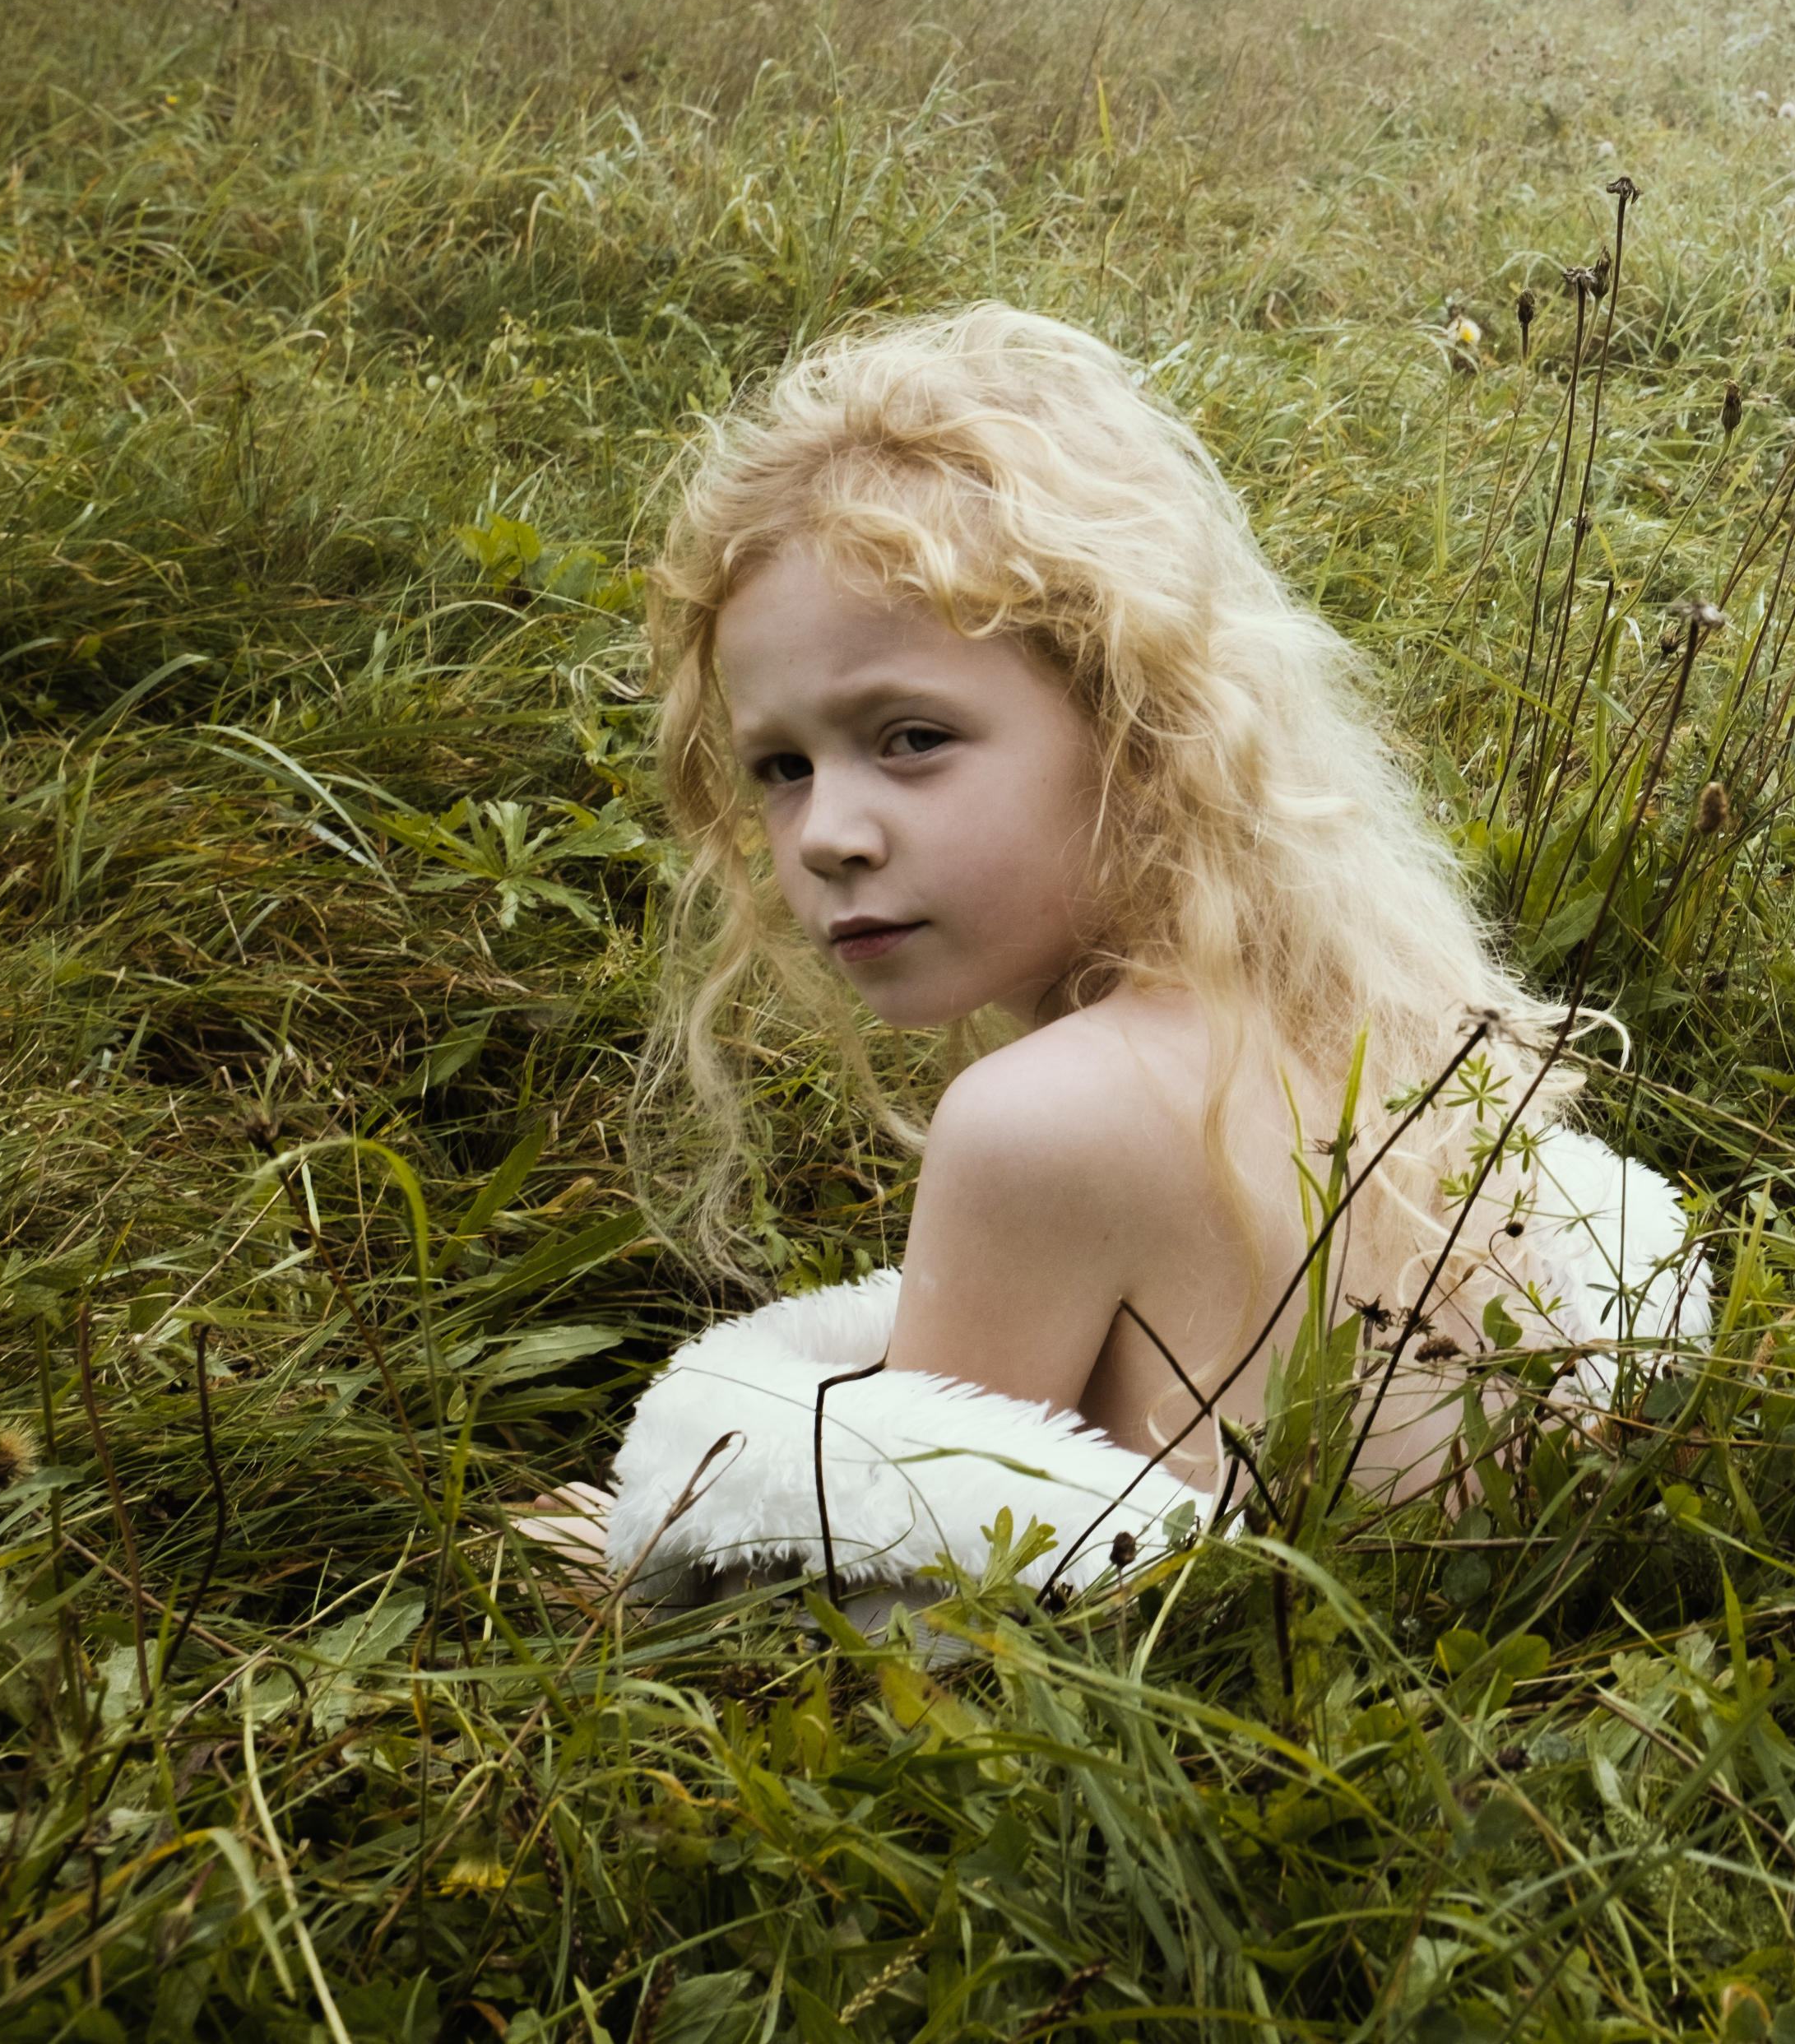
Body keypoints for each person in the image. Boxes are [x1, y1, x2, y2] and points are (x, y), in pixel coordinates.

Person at [518, 305, 1691, 1610]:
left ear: (1137, 732)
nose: (831, 834)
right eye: (782, 769)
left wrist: (648, 1569)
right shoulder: (1338, 1016)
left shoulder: (1040, 1122)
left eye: (909, 737)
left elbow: (907, 1603)